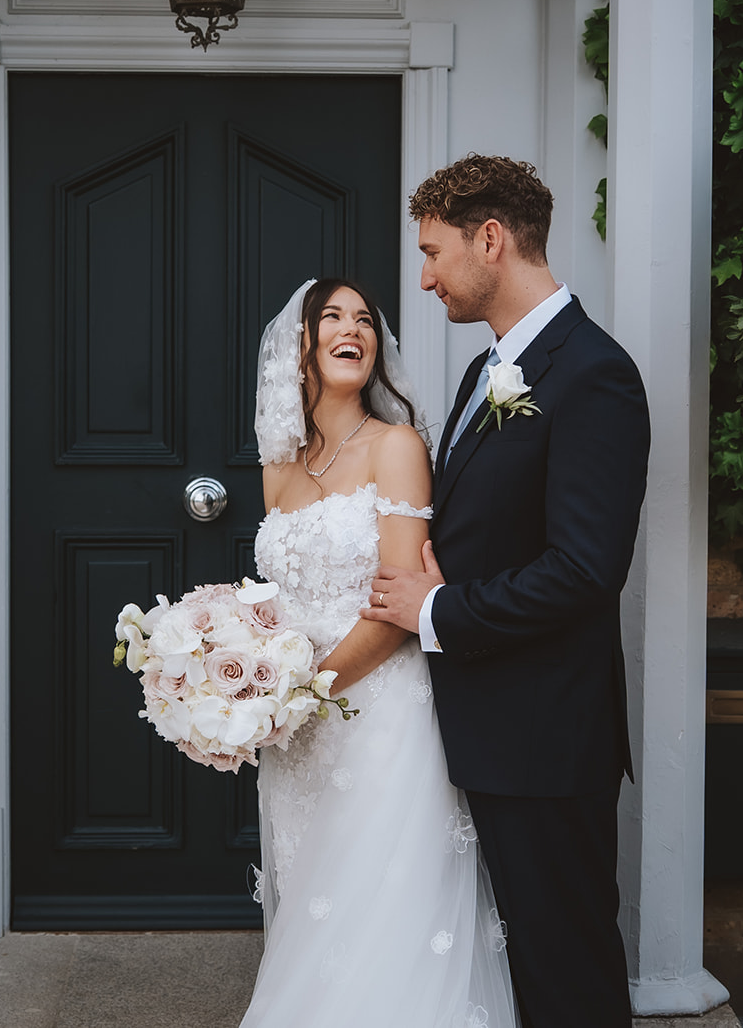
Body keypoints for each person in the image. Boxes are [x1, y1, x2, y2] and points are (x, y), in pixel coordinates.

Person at [360, 154, 651, 1027]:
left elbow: (586, 570)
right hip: (485, 728)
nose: (425, 276)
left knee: (566, 965)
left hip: (546, 736)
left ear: (491, 238)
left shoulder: (593, 371)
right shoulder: (486, 369)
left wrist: (436, 608)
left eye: (435, 251)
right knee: (512, 960)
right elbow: (490, 521)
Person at [240, 277, 518, 1028]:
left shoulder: (396, 447)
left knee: (379, 915)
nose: (351, 328)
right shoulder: (280, 468)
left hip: (380, 719)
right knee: (314, 915)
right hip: (297, 737)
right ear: (300, 343)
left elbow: (399, 609)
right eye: (331, 316)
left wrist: (300, 689)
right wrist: (243, 677)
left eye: (364, 319)